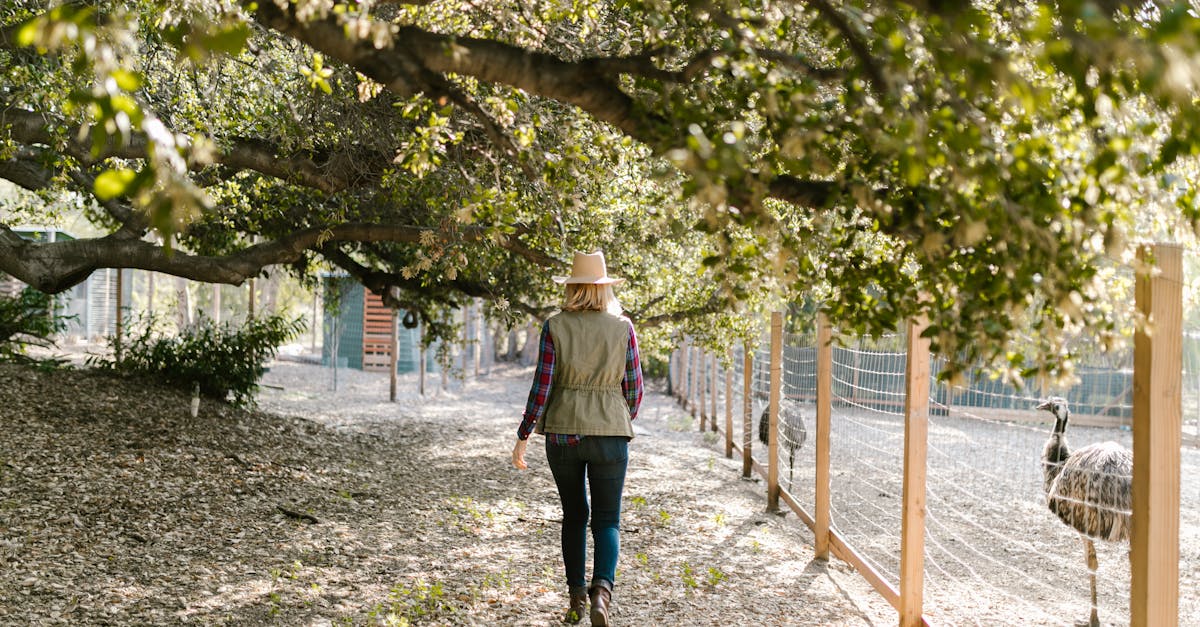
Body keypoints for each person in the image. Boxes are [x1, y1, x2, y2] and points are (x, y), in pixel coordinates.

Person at [511, 251, 643, 627]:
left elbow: (543, 385)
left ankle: (576, 598)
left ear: (572, 288)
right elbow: (634, 389)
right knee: (607, 519)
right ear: (603, 289)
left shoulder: (555, 326)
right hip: (611, 436)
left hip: (563, 435)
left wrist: (524, 434)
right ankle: (602, 593)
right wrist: (616, 417)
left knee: (574, 515)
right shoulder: (623, 327)